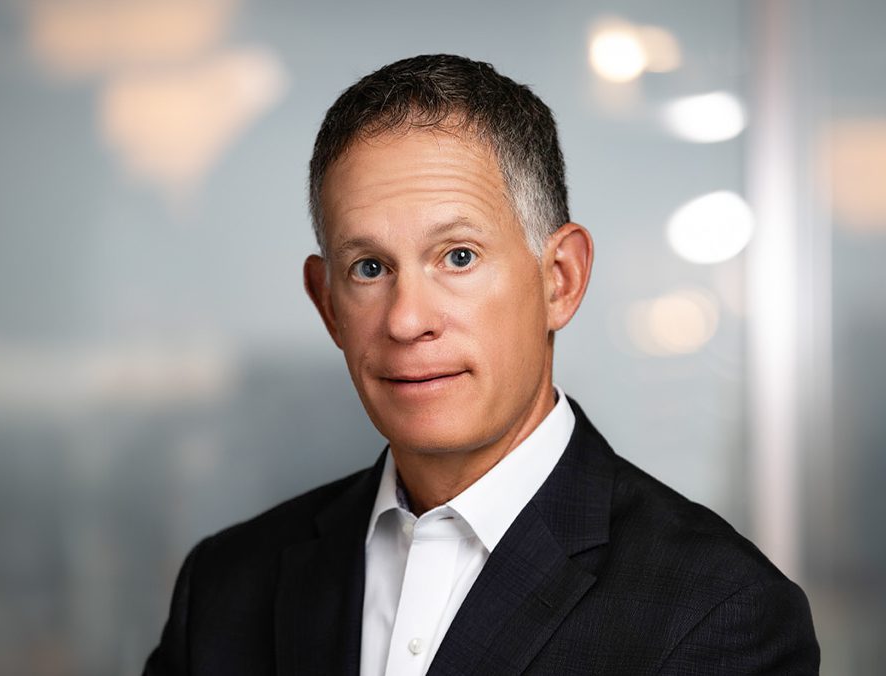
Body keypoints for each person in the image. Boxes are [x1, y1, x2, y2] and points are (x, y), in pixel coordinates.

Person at [143, 54, 819, 675]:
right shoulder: (226, 587)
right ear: (328, 305)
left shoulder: (718, 612)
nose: (408, 319)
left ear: (560, 278)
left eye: (458, 257)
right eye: (370, 268)